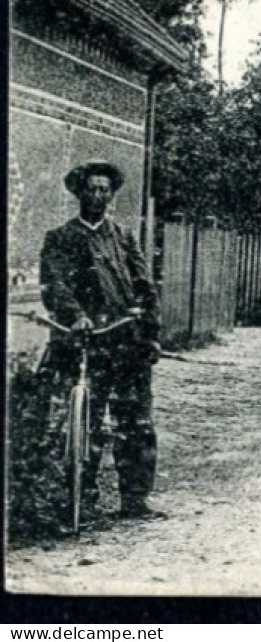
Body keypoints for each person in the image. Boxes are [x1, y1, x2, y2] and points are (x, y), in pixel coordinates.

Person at [36, 159, 164, 523]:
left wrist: (150, 331)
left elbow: (144, 285)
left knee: (136, 422)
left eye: (104, 190)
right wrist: (75, 315)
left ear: (111, 195)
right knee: (84, 422)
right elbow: (55, 284)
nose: (97, 195)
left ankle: (135, 501)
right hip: (85, 343)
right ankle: (81, 500)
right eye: (90, 189)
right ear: (79, 193)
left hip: (126, 341)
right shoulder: (60, 238)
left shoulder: (123, 237)